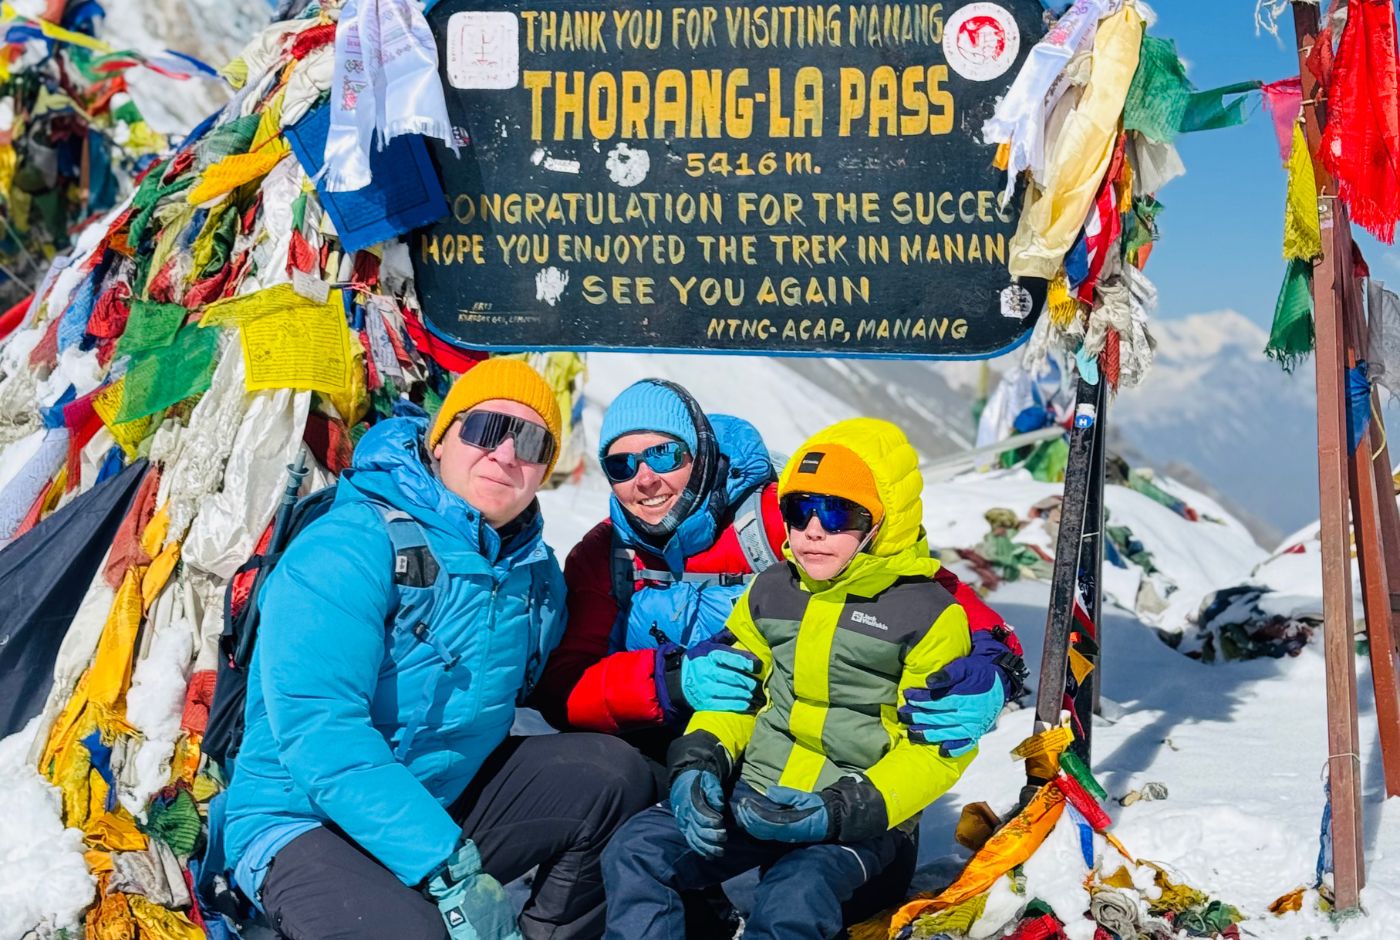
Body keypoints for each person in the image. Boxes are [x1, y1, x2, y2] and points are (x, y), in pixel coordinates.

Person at [221, 359, 653, 940]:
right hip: (305, 817)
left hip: (441, 801)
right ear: (441, 437)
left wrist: (674, 686)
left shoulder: (536, 577)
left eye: (529, 441)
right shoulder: (350, 544)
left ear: (544, 468)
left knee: (613, 776)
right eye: (485, 429)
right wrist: (447, 866)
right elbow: (321, 734)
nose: (505, 454)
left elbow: (553, 687)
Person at [600, 417, 994, 940]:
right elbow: (736, 696)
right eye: (798, 510)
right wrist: (700, 762)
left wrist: (846, 809)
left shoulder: (926, 614)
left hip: (862, 817)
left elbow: (933, 752)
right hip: (760, 791)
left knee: (794, 897)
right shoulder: (771, 590)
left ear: (883, 521)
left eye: (837, 514)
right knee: (638, 851)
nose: (812, 530)